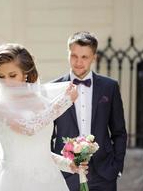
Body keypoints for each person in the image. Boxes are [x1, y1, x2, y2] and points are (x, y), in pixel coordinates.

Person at [0, 43, 87, 191]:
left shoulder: (40, 101)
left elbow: (38, 152)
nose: (6, 81)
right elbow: (29, 128)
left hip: (49, 181)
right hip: (14, 182)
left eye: (12, 75)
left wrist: (68, 164)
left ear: (25, 73)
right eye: (0, 76)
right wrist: (65, 101)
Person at [51, 31, 127, 191]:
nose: (78, 62)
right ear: (68, 54)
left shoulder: (109, 87)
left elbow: (119, 132)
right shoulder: (53, 89)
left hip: (104, 173)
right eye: (74, 56)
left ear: (94, 57)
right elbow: (48, 135)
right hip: (65, 173)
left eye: (84, 57)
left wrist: (116, 167)